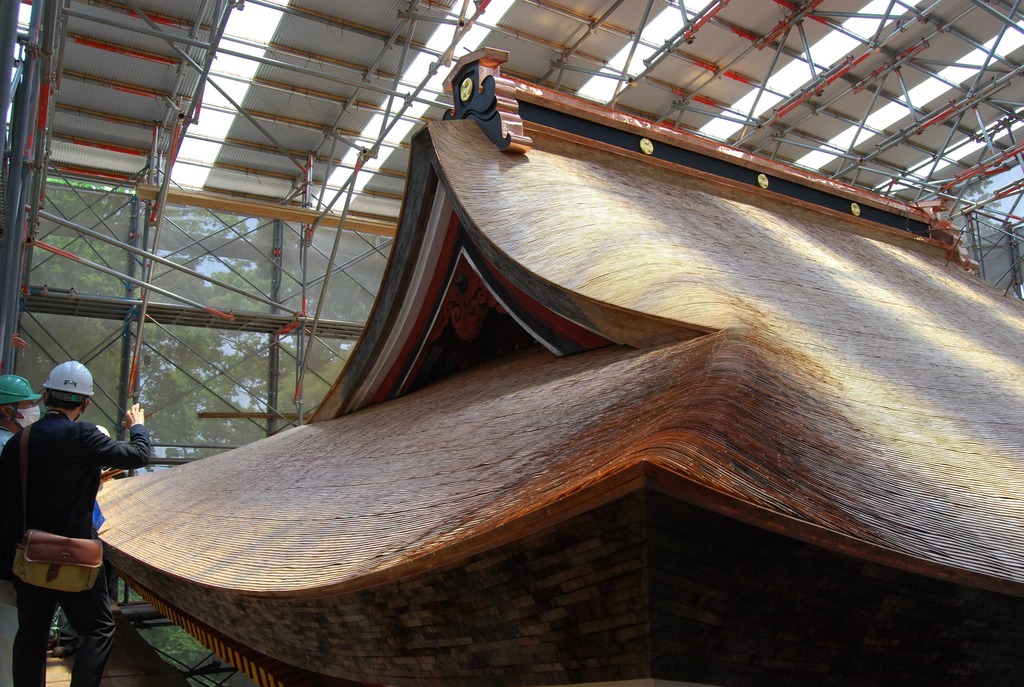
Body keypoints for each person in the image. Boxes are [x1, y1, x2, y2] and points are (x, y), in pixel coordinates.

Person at [0, 361, 151, 687]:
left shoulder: (19, 441)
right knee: (98, 629)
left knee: (31, 637)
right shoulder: (84, 436)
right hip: (76, 558)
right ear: (85, 403)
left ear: (46, 396)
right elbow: (139, 455)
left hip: (30, 557)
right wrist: (137, 425)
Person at [0, 376, 42, 683]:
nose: (32, 410)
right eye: (26, 404)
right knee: (8, 635)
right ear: (6, 410)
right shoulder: (9, 446)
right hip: (6, 556)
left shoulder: (15, 443)